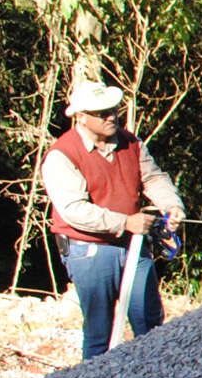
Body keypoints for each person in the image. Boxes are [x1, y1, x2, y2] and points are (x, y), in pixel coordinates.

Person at [43, 78, 185, 360]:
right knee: (100, 332)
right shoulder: (62, 155)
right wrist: (125, 222)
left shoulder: (130, 143)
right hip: (89, 249)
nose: (112, 116)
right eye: (102, 113)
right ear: (80, 118)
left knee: (150, 321)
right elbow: (74, 209)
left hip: (132, 243)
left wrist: (171, 205)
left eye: (114, 109)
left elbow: (153, 177)